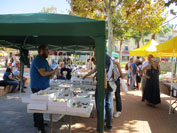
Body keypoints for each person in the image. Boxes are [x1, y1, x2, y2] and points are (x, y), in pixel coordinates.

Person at [30, 44, 59, 133]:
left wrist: (51, 73)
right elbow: (43, 73)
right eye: (46, 50)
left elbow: (48, 72)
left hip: (43, 86)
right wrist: (54, 71)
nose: (48, 51)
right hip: (37, 87)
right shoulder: (38, 59)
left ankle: (37, 123)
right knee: (39, 107)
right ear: (41, 51)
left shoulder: (44, 61)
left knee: (38, 106)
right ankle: (40, 127)